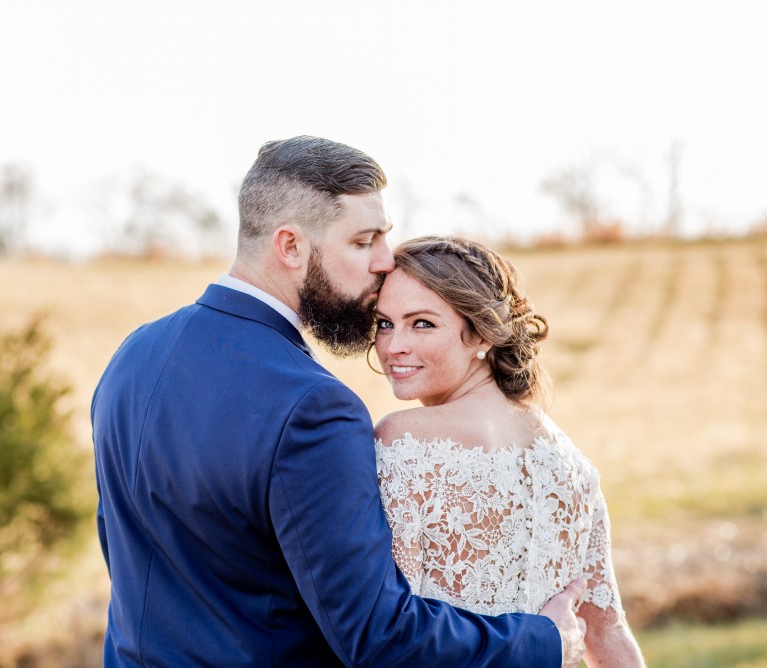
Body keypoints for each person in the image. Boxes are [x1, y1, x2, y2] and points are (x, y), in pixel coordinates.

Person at [92, 136, 587, 666]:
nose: (384, 261)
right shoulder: (313, 407)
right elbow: (378, 636)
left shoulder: (132, 357)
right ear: (290, 246)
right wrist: (541, 641)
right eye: (363, 240)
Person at [371, 235, 646, 667]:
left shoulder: (402, 441)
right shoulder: (572, 464)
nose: (393, 346)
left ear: (482, 333)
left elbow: (389, 632)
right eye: (384, 323)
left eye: (421, 323)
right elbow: (608, 633)